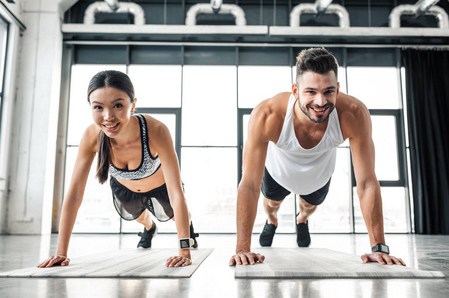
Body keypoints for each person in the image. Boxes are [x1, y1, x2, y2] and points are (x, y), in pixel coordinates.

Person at [229, 48, 405, 267]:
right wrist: (242, 249)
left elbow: (367, 182)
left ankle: (301, 220)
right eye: (311, 91)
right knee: (272, 204)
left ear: (338, 90)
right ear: (295, 90)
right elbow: (249, 184)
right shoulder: (268, 115)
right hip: (278, 172)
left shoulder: (353, 113)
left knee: (307, 207)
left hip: (318, 177)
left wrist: (379, 248)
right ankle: (272, 220)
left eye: (328, 91)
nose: (320, 102)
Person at [38, 70, 198, 269]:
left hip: (163, 187)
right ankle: (150, 229)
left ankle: (190, 229)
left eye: (118, 105)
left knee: (178, 215)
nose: (108, 116)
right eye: (98, 107)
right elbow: (74, 194)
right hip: (125, 190)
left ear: (133, 105)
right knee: (141, 218)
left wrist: (184, 250)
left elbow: (176, 192)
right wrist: (60, 253)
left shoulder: (156, 130)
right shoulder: (92, 136)